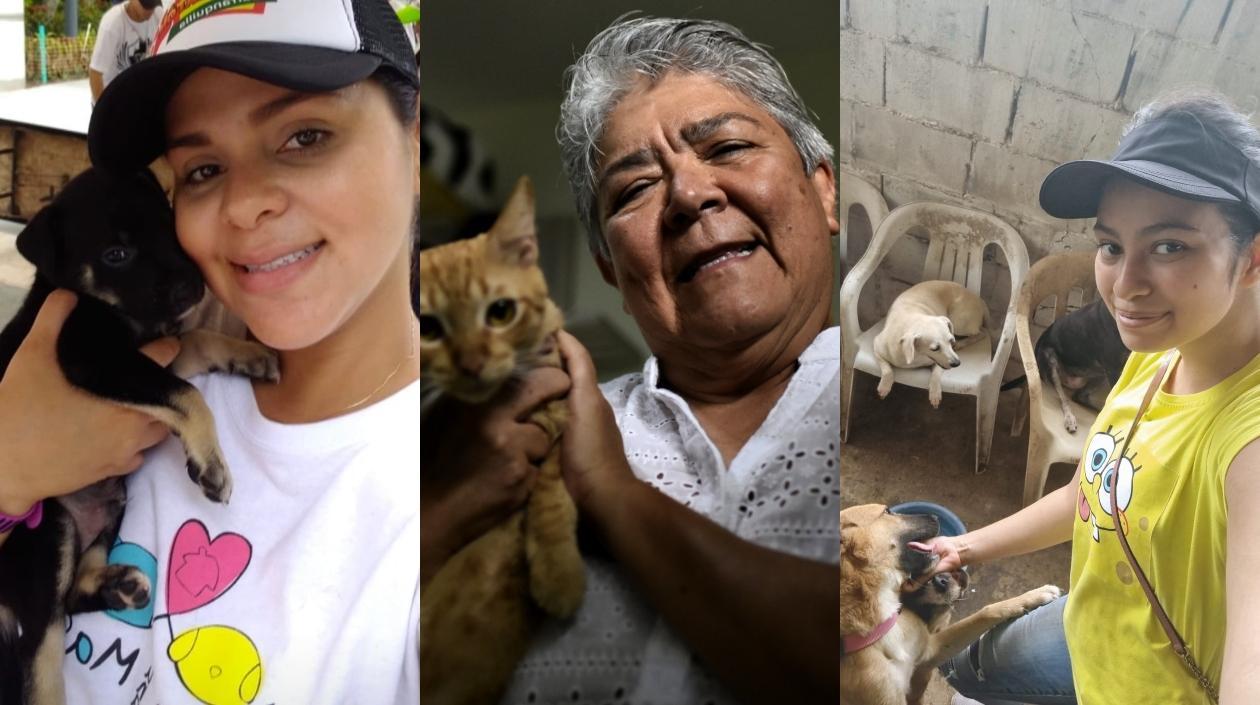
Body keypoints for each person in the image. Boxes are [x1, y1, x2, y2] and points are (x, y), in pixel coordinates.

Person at [0, 0, 420, 702]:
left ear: (417, 144)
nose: (245, 202)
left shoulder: (443, 504)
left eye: (305, 135)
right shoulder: (127, 370)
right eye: (200, 169)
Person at [420, 16, 840, 705]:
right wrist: (440, 510)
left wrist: (611, 492)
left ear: (823, 189)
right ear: (609, 269)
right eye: (634, 189)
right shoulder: (496, 438)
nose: (687, 194)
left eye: (727, 146)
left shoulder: (885, 401)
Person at [922, 91, 1260, 705]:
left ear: (1252, 258)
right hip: (1088, 625)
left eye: (1170, 245)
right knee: (972, 670)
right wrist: (966, 546)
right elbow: (1097, 491)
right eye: (1111, 245)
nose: (1125, 286)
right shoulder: (1161, 351)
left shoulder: (1248, 443)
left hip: (1153, 687)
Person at [88, 0, 164, 105]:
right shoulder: (113, 23)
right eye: (145, 5)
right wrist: (103, 110)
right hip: (110, 98)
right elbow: (95, 72)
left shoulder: (158, 15)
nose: (149, 11)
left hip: (138, 99)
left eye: (153, 5)